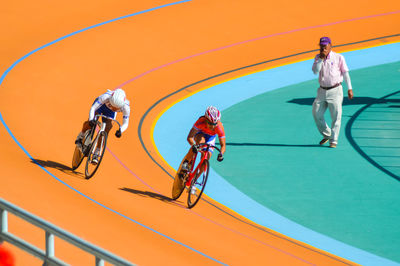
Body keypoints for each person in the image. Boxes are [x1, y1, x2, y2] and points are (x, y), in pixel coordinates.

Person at [311, 36, 354, 148]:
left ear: (330, 45)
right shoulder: (317, 58)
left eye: (325, 45)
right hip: (322, 90)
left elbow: (345, 73)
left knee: (336, 116)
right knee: (316, 113)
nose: (323, 48)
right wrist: (320, 59)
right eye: (321, 46)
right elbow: (315, 71)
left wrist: (349, 88)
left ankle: (333, 140)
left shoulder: (338, 57)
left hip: (335, 90)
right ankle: (327, 134)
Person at [75, 88, 130, 163]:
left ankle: (97, 152)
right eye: (112, 105)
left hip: (109, 113)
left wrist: (120, 130)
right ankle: (81, 135)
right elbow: (93, 108)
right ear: (110, 100)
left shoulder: (126, 107)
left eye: (116, 108)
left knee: (107, 129)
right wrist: (91, 120)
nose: (113, 108)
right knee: (90, 123)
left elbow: (125, 123)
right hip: (100, 106)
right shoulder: (105, 97)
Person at [180, 106, 226, 174]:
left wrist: (221, 154)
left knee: (206, 159)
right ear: (205, 119)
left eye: (214, 124)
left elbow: (223, 145)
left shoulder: (219, 127)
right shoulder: (200, 122)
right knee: (201, 142)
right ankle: (186, 162)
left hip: (211, 138)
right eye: (210, 123)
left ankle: (194, 180)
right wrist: (193, 146)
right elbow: (189, 137)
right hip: (200, 133)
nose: (212, 126)